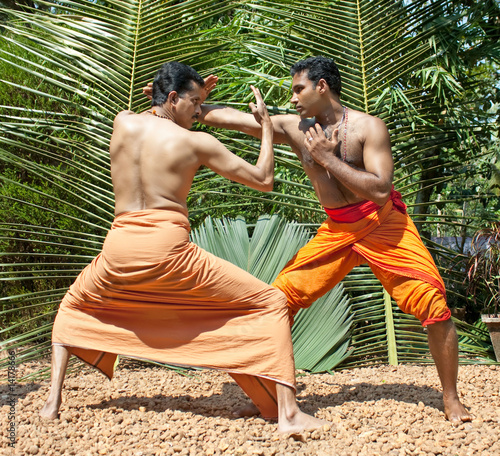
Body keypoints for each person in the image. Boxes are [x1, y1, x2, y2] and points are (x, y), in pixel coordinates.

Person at [163, 56, 472, 424]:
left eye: (298, 89)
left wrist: (326, 158)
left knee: (433, 306)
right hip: (337, 229)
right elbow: (240, 121)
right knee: (277, 303)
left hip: (385, 224)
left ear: (321, 87)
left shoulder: (367, 128)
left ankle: (451, 398)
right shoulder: (295, 127)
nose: (292, 98)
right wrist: (196, 103)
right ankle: (268, 398)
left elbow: (380, 189)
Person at [39, 61, 327, 434]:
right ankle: (288, 414)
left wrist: (181, 93)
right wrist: (267, 128)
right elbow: (264, 179)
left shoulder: (123, 121)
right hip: (167, 250)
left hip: (117, 249)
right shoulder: (195, 142)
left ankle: (51, 403)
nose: (200, 112)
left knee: (73, 306)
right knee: (270, 302)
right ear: (174, 98)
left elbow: (154, 100)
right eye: (195, 103)